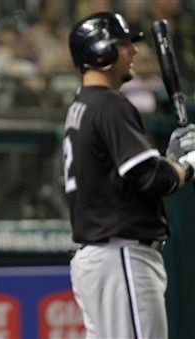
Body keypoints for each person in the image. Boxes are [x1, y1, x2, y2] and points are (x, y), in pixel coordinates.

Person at [63, 12, 195, 338]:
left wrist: (171, 159)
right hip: (120, 255)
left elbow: (132, 175)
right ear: (100, 52)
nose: (133, 51)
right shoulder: (108, 105)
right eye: (124, 45)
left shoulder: (84, 105)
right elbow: (152, 178)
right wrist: (187, 163)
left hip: (103, 256)